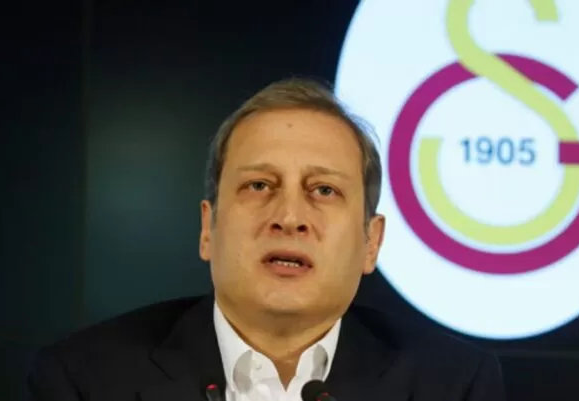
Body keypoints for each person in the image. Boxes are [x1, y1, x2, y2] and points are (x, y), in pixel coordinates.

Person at [25, 78, 507, 401]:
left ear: (371, 242)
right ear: (208, 228)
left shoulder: (454, 386)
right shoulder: (84, 381)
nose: (290, 218)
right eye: (259, 185)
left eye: (324, 190)